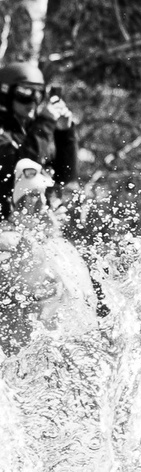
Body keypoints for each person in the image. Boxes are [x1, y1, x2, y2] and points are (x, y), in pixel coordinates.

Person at [0, 157, 97, 354]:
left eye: (46, 195)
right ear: (16, 203)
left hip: (68, 345)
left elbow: (87, 304)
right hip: (25, 350)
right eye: (33, 195)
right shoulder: (9, 242)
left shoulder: (63, 248)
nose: (42, 203)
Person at [0, 61, 77, 221]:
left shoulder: (32, 130)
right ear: (5, 93)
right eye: (25, 93)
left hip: (33, 225)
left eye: (39, 93)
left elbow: (64, 176)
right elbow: (24, 165)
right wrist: (46, 123)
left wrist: (64, 133)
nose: (33, 100)